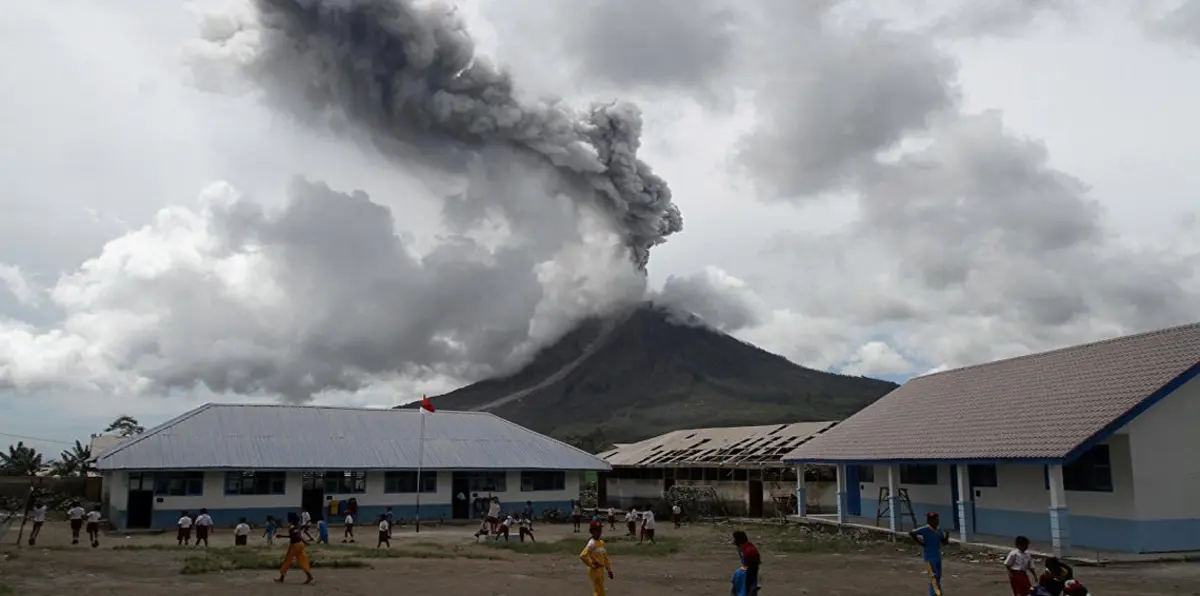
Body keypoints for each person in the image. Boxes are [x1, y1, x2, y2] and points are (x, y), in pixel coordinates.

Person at [909, 512, 950, 596]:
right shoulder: (925, 529)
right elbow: (912, 533)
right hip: (929, 558)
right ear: (928, 520)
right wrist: (921, 543)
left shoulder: (939, 530)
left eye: (936, 519)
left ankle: (938, 592)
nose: (935, 521)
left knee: (938, 577)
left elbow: (944, 542)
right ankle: (935, 593)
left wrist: (947, 536)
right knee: (933, 577)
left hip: (937, 557)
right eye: (932, 519)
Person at [276, 512, 314, 584]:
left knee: (287, 560)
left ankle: (282, 578)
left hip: (295, 545)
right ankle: (309, 576)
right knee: (302, 560)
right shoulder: (298, 525)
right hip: (300, 544)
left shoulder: (292, 526)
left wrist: (281, 536)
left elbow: (296, 536)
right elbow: (296, 535)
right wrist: (305, 542)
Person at [579, 521, 614, 596]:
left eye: (600, 530)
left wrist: (609, 570)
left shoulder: (601, 543)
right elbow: (582, 555)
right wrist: (591, 564)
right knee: (599, 590)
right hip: (595, 571)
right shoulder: (592, 543)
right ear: (592, 531)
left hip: (601, 570)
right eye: (597, 530)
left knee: (600, 590)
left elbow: (605, 558)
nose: (599, 532)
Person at [733, 531, 761, 596]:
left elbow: (747, 563)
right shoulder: (749, 546)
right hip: (753, 567)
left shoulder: (746, 549)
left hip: (749, 566)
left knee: (738, 575)